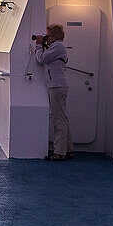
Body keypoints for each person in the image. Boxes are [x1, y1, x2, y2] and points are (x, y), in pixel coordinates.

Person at [34, 24, 72, 161]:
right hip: (57, 84)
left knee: (58, 119)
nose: (46, 38)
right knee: (62, 119)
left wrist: (38, 45)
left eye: (48, 35)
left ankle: (60, 153)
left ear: (55, 36)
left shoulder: (58, 46)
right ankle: (67, 149)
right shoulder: (56, 47)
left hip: (56, 85)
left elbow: (42, 59)